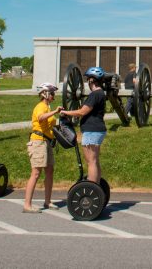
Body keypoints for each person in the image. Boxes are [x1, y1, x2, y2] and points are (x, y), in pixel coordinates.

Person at [59, 66, 107, 183]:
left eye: (88, 80)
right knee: (94, 161)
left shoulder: (94, 95)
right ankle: (97, 186)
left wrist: (65, 112)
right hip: (96, 129)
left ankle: (92, 187)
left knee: (91, 161)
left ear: (92, 80)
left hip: (92, 130)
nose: (87, 83)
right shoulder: (101, 94)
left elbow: (82, 112)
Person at [23, 82, 62, 213]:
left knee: (50, 170)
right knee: (36, 173)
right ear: (45, 94)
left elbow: (49, 124)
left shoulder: (48, 107)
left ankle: (47, 201)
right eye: (51, 93)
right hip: (38, 142)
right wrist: (55, 112)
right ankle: (27, 205)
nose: (53, 96)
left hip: (47, 142)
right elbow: (40, 118)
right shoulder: (41, 106)